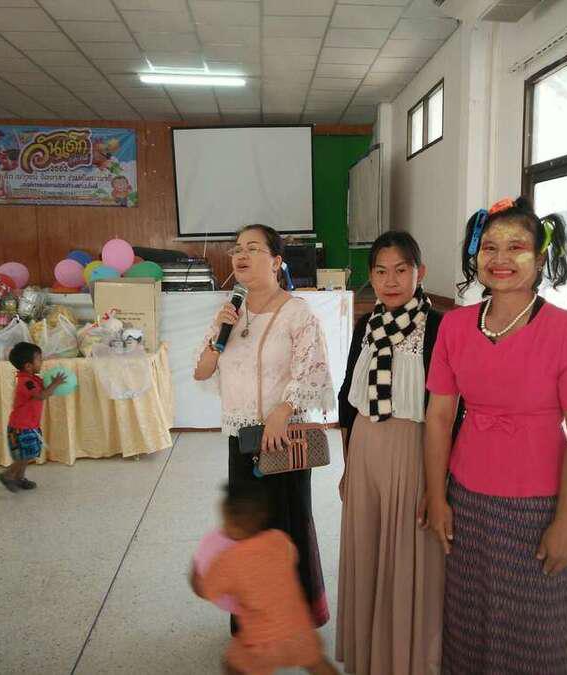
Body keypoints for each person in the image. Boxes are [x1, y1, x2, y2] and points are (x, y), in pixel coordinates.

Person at [423, 197, 567, 674]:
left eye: (516, 247)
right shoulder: (455, 326)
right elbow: (439, 417)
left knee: (532, 631)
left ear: (541, 258)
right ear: (475, 255)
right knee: (468, 621)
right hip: (467, 496)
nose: (500, 258)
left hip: (538, 503)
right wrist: (437, 496)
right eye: (489, 247)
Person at [194, 224, 336, 628]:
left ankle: (291, 623)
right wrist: (218, 337)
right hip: (243, 440)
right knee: (249, 532)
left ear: (276, 261)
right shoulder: (229, 312)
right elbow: (202, 371)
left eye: (253, 248)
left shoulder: (297, 312)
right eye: (237, 249)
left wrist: (283, 409)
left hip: (282, 439)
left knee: (285, 530)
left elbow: (313, 369)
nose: (241, 255)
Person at [335, 232, 459, 675]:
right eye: (381, 272)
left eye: (401, 270)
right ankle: (370, 654)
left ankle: (408, 658)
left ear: (419, 273)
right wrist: (347, 467)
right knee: (368, 550)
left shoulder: (439, 328)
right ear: (370, 277)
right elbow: (347, 403)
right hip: (365, 451)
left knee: (410, 554)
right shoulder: (365, 327)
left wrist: (440, 481)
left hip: (414, 451)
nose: (391, 281)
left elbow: (452, 411)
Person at [191, 483, 339, 675]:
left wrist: (196, 571)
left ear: (231, 522)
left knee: (233, 666)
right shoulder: (280, 540)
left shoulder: (227, 561)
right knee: (317, 663)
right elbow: (291, 557)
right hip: (299, 631)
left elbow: (205, 590)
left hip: (259, 642)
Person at [0, 342, 65, 492]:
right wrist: (55, 383)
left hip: (29, 425)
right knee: (24, 455)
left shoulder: (33, 378)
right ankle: (7, 475)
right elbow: (41, 395)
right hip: (21, 427)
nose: (42, 362)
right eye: (39, 359)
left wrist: (53, 384)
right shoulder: (26, 382)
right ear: (28, 366)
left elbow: (45, 390)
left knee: (28, 454)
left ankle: (19, 478)